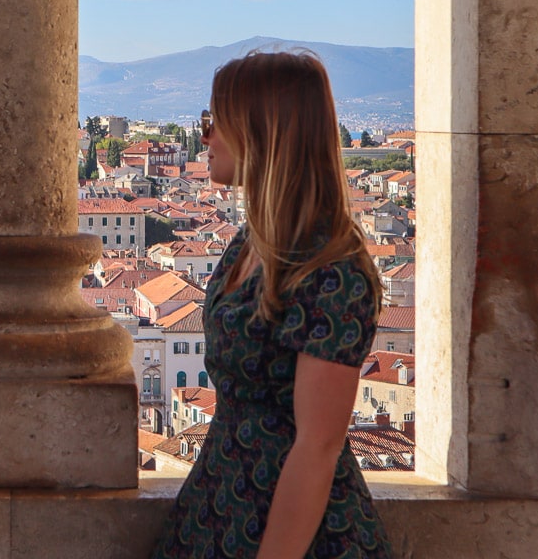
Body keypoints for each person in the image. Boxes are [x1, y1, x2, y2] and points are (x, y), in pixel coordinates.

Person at [153, 51, 393, 559]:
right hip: (218, 507)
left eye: (214, 121)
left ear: (262, 132)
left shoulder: (330, 268)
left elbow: (318, 446)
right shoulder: (251, 241)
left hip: (288, 534)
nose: (204, 136)